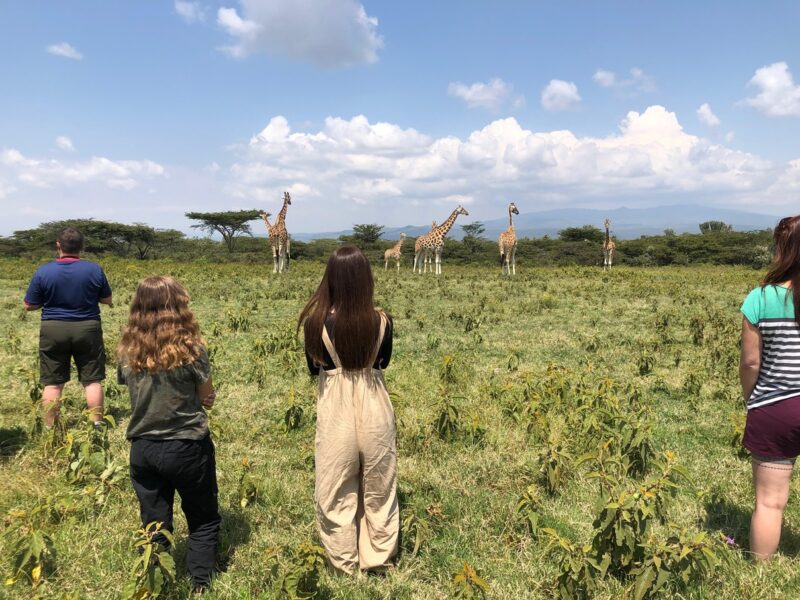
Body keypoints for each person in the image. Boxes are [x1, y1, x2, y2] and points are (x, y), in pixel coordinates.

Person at [117, 276, 220, 592]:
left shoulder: (127, 349)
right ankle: (201, 583)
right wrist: (205, 398)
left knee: (153, 522)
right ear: (177, 307)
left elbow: (130, 386)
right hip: (187, 445)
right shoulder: (192, 348)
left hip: (143, 448)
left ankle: (153, 580)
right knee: (203, 519)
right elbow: (207, 395)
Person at [299, 246, 399, 573]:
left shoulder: (315, 324)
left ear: (332, 279)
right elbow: (383, 362)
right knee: (380, 485)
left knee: (334, 485)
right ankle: (378, 558)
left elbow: (316, 370)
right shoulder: (383, 321)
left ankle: (343, 561)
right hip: (375, 404)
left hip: (335, 408)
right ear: (365, 280)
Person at [740, 214, 800, 560]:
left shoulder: (760, 298)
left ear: (783, 249)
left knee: (769, 502)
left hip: (775, 408)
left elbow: (750, 363)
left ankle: (759, 575)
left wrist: (754, 401)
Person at [24, 227, 113, 427]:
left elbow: (29, 305)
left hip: (53, 328)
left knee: (53, 383)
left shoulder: (44, 271)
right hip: (87, 327)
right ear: (82, 246)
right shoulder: (94, 269)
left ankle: (50, 429)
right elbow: (107, 299)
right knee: (92, 380)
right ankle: (97, 426)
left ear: (58, 245)